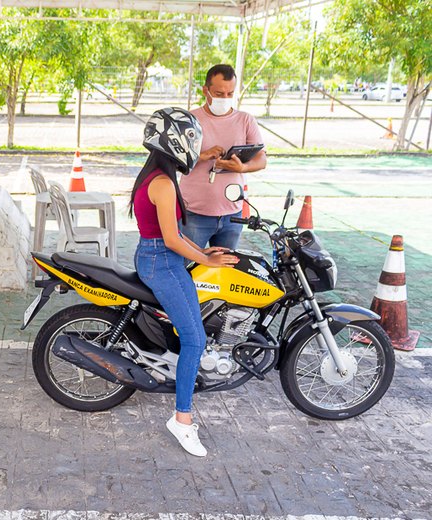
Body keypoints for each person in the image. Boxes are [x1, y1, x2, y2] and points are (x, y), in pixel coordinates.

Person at [130, 107, 239, 457]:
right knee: (195, 339)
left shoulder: (158, 177)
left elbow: (174, 236)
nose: (195, 147)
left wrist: (209, 251)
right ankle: (182, 420)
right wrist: (206, 258)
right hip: (162, 262)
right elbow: (172, 240)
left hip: (162, 257)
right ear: (174, 142)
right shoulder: (162, 184)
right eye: (191, 139)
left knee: (193, 330)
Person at [180, 64, 267, 250]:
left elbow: (262, 159)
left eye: (230, 94)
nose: (225, 99)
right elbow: (174, 162)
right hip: (194, 214)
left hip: (232, 215)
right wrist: (202, 156)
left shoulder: (245, 120)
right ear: (206, 91)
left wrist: (242, 168)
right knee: (188, 270)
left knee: (225, 271)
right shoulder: (189, 120)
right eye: (219, 94)